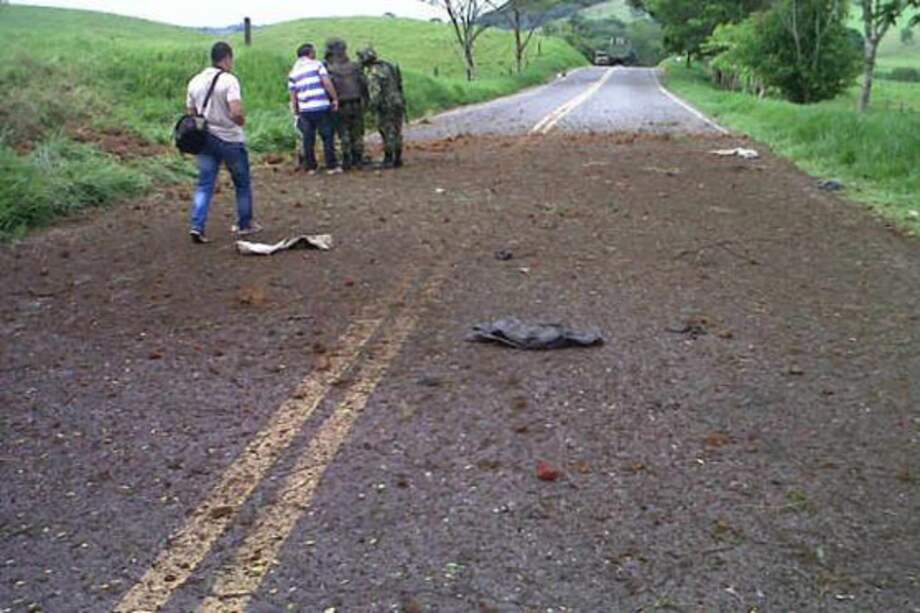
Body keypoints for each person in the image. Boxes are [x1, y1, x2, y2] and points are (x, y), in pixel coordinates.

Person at [185, 41, 261, 243]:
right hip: (230, 139)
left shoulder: (194, 81)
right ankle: (245, 224)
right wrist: (241, 122)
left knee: (205, 184)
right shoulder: (229, 80)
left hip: (206, 139)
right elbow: (236, 111)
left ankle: (197, 225)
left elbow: (191, 114)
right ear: (227, 58)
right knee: (241, 183)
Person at [289, 43, 341, 175]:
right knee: (327, 136)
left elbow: (293, 95)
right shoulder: (317, 65)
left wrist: (296, 111)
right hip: (321, 106)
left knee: (308, 138)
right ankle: (331, 165)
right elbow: (326, 82)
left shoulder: (293, 72)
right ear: (310, 53)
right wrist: (334, 98)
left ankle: (311, 167)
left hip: (305, 110)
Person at [324, 38, 369, 171]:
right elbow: (364, 85)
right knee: (357, 133)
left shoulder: (328, 68)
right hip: (356, 102)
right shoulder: (355, 66)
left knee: (342, 132)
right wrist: (365, 101)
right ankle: (358, 159)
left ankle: (346, 160)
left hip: (340, 104)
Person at [358, 47, 405, 169]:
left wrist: (370, 109)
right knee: (397, 130)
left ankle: (389, 158)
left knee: (386, 130)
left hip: (385, 105)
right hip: (398, 102)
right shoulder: (388, 66)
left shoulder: (373, 73)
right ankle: (398, 157)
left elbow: (375, 93)